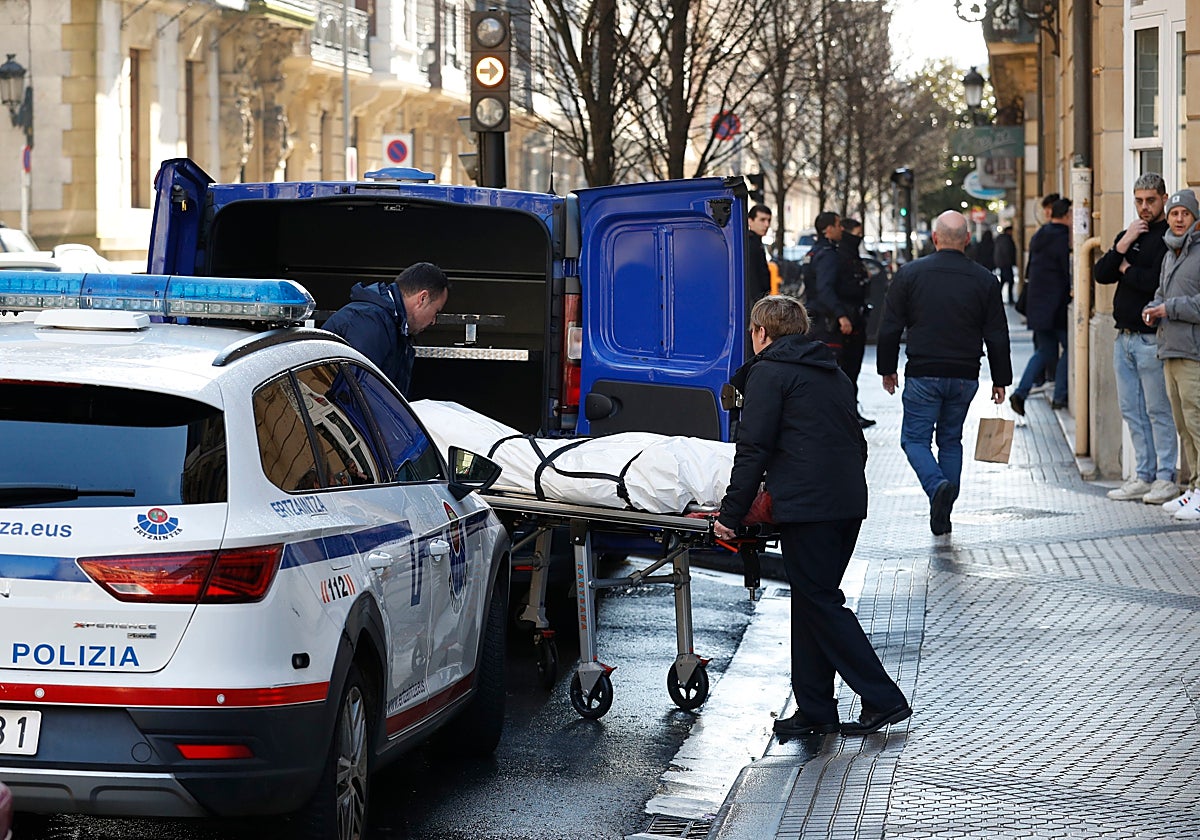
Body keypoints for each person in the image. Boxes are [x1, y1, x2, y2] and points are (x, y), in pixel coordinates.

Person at [713, 295, 911, 738]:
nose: (751, 338)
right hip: (844, 502)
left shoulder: (768, 374)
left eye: (752, 331)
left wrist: (731, 511)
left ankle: (883, 697)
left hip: (809, 507)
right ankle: (815, 707)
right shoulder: (830, 372)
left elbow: (754, 449)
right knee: (810, 599)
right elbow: (854, 441)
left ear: (763, 333)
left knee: (820, 600)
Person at [877, 210, 1012, 536]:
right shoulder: (985, 280)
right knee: (951, 440)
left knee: (914, 439)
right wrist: (1000, 379)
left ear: (935, 238)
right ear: (967, 240)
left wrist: (887, 369)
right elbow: (996, 332)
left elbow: (890, 326)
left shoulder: (909, 274)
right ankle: (943, 513)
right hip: (966, 374)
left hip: (923, 372)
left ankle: (937, 486)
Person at [1093, 172, 1178, 505]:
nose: (1144, 207)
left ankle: (1165, 477)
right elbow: (1101, 274)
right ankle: (1142, 475)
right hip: (1123, 338)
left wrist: (1126, 270)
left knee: (1158, 411)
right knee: (1132, 410)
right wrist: (1123, 243)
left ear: (1164, 198)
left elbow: (1155, 282)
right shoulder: (1132, 233)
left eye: (1150, 201)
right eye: (1139, 201)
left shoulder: (1170, 237)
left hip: (1150, 339)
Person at [1143, 189, 1200, 520]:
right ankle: (1192, 488)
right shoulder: (1171, 253)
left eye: (1185, 214)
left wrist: (1169, 308)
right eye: (1175, 213)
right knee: (1183, 425)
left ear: (1194, 218)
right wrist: (1153, 308)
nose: (1179, 219)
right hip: (1170, 349)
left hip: (1193, 351)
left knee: (1196, 423)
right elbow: (1161, 293)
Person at [321, 262, 449, 397]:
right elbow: (355, 396)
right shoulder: (370, 321)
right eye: (436, 311)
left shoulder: (391, 324)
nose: (434, 321)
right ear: (422, 298)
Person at [1010, 198, 1072, 415]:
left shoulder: (1039, 236)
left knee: (1045, 350)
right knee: (1070, 348)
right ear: (1066, 215)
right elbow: (1067, 273)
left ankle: (1021, 392)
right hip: (1057, 307)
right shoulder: (1064, 238)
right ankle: (1060, 396)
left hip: (1038, 307)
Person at [837, 217, 875, 427]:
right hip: (848, 321)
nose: (858, 238)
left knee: (853, 369)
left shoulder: (850, 255)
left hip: (856, 318)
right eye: (857, 233)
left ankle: (851, 412)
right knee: (848, 369)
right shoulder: (841, 256)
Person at [746, 204, 773, 305]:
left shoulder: (755, 242)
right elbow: (753, 279)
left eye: (769, 220)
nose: (766, 224)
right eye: (762, 220)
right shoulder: (750, 244)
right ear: (750, 220)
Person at [995, 226, 1017, 304]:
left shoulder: (1001, 239)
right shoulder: (1006, 239)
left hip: (1003, 263)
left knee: (1004, 281)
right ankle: (1008, 299)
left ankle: (997, 298)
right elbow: (1007, 252)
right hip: (1006, 264)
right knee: (1010, 281)